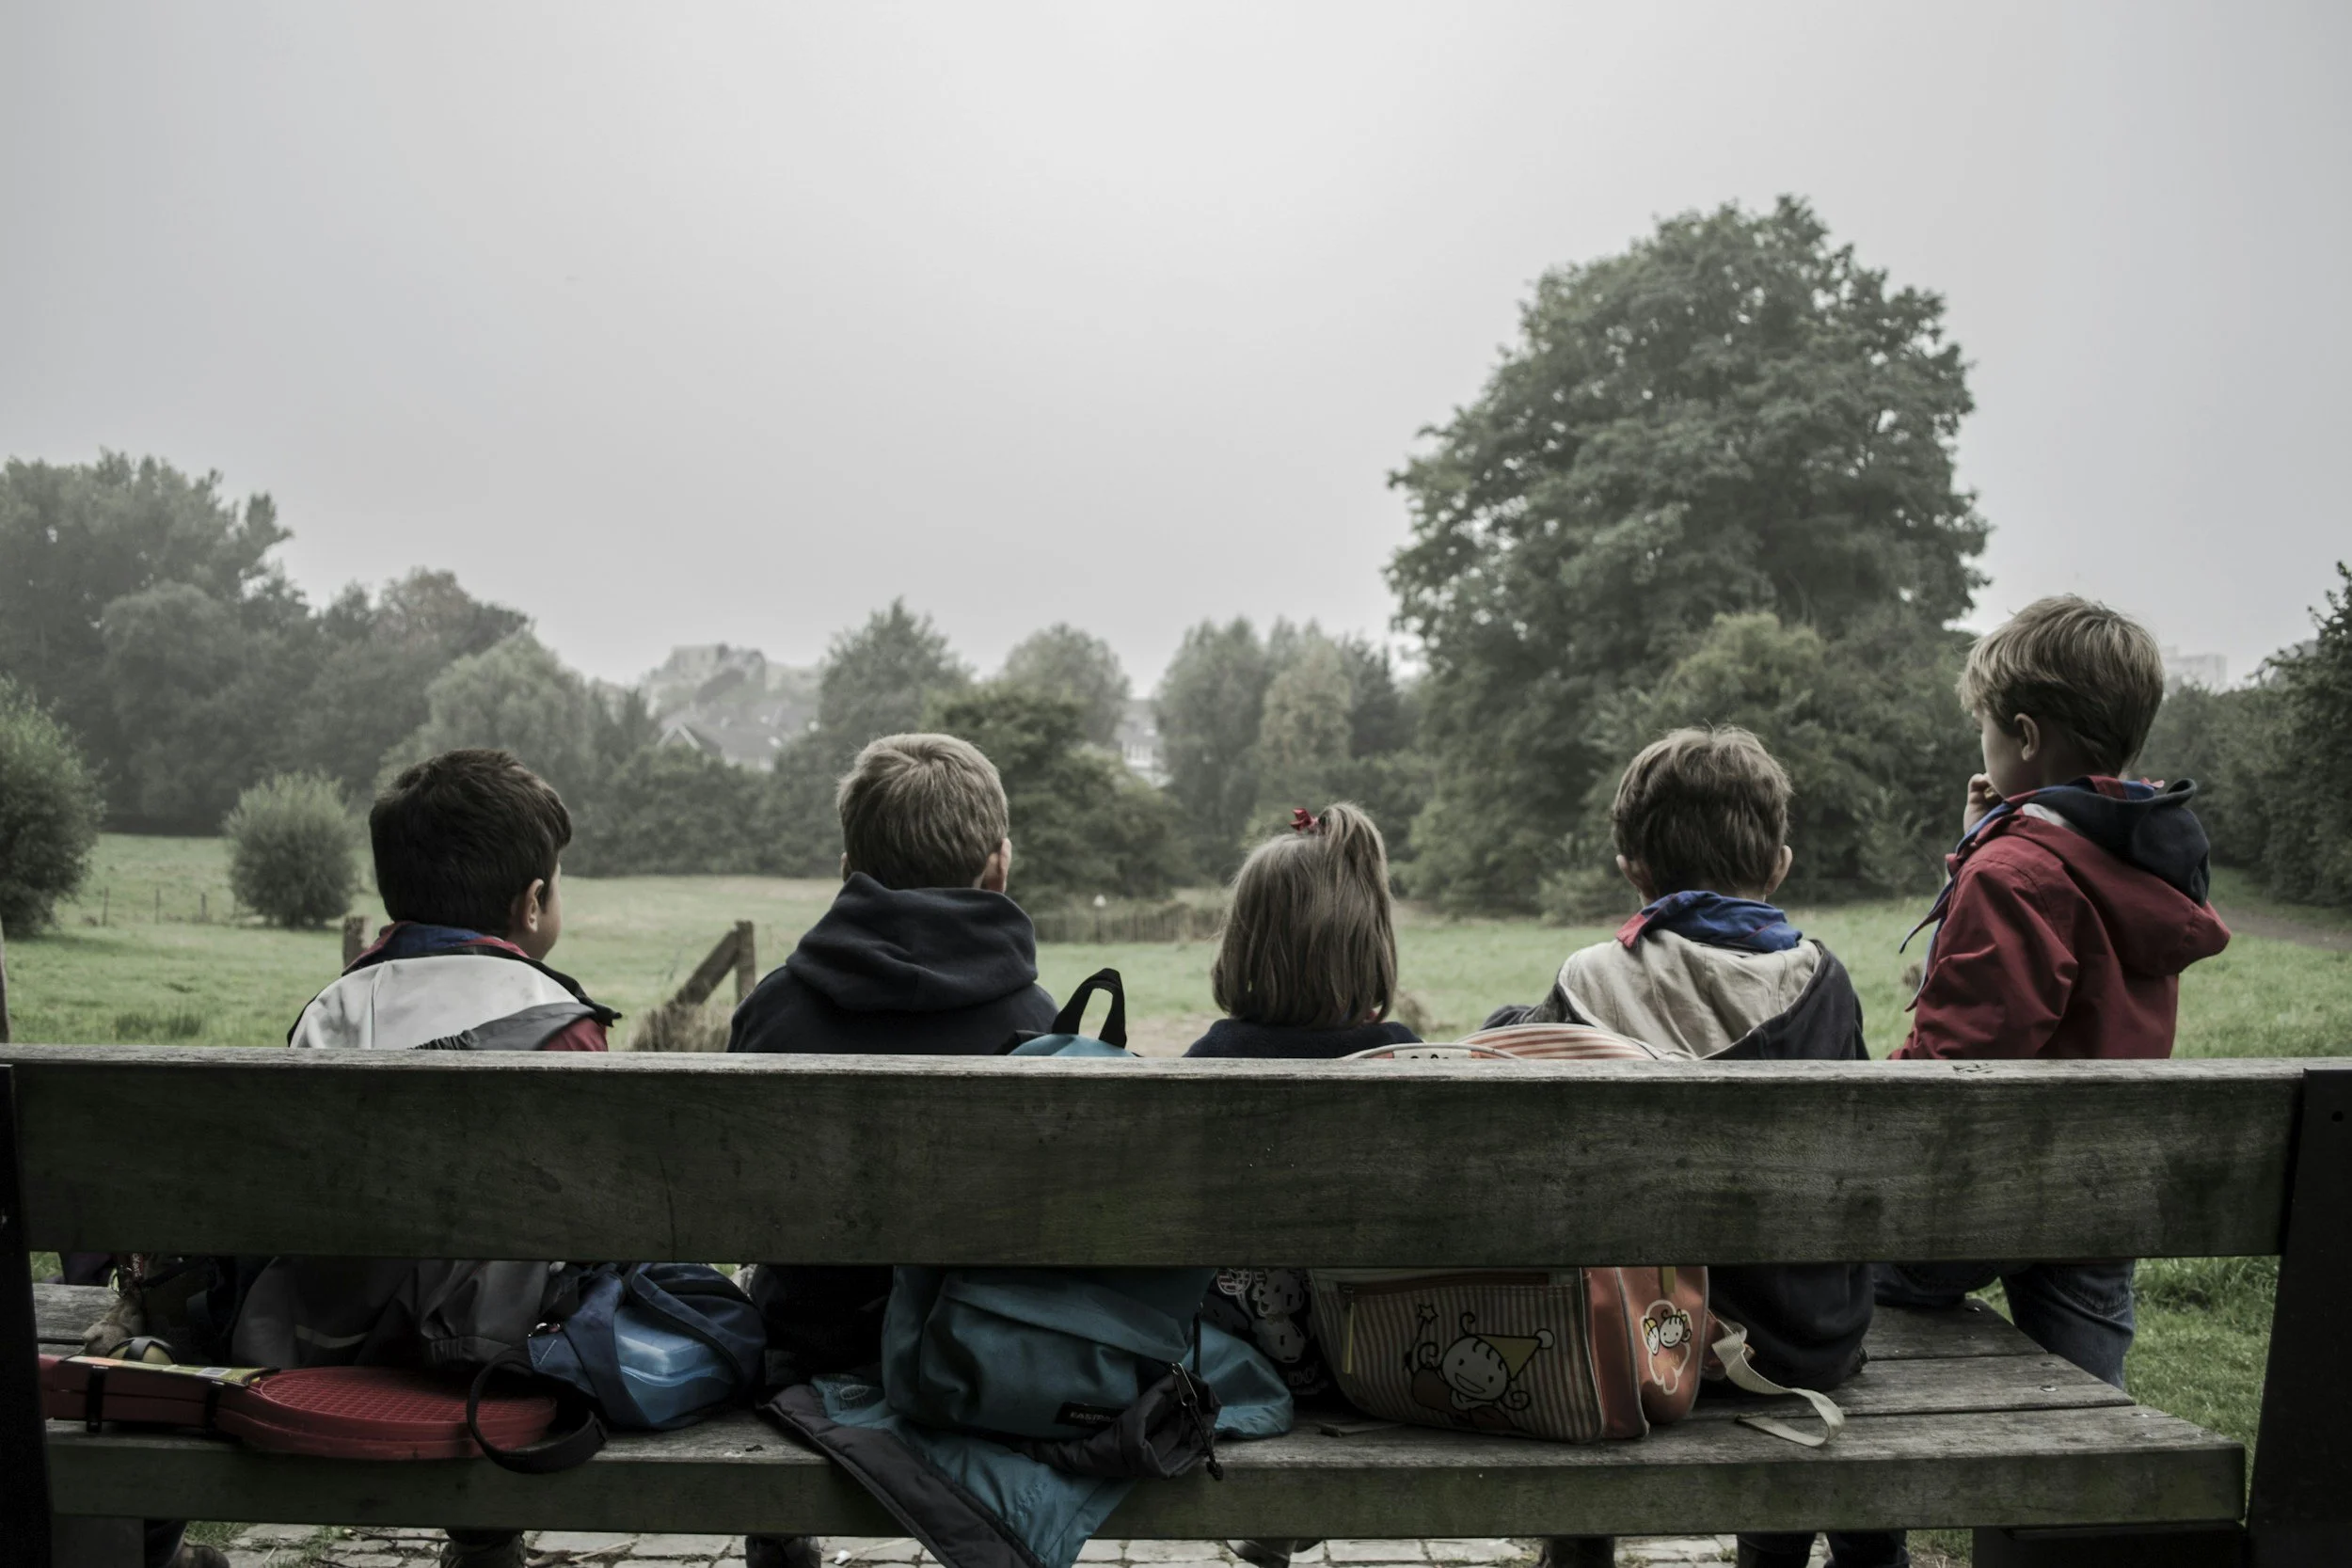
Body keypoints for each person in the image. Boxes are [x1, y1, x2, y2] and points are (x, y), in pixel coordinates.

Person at [1492, 727, 1891, 1568]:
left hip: (1635, 1345)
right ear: (1778, 864)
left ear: (1632, 866)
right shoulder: (1825, 982)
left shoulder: (1587, 980)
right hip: (1803, 1341)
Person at [224, 750, 615, 1568]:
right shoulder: (564, 1023)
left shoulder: (334, 1010)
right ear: (534, 901)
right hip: (497, 1352)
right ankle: (483, 1536)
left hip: (330, 1331)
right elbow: (591, 1211)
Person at [1877, 596, 2231, 1393]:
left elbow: (1956, 1062)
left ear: (2025, 735)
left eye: (1988, 728)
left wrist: (1989, 860)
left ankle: (1866, 1511)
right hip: (2099, 1196)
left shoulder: (2015, 874)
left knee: (1827, 1273)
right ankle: (2080, 1499)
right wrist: (1990, 839)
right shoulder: (2140, 852)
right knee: (2086, 1395)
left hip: (1981, 1194)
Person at [731, 733, 1057, 1568]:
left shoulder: (775, 1010)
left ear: (849, 868)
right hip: (973, 1350)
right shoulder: (1037, 1020)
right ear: (999, 866)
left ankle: (776, 1530)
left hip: (805, 1344)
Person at [1181, 802, 1417, 1568]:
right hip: (1388, 1360)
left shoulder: (1206, 1064)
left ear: (1244, 943)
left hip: (1238, 1361)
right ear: (1369, 944)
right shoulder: (1408, 1064)